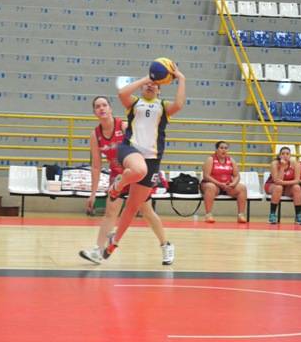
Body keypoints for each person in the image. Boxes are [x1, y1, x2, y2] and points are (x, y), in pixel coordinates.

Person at [102, 66, 186, 260]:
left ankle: (114, 242)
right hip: (130, 150)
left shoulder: (163, 107)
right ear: (141, 87)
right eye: (147, 84)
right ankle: (117, 186)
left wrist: (181, 78)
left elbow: (179, 104)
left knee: (133, 207)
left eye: (154, 84)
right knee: (139, 169)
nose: (150, 85)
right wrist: (147, 77)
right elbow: (122, 93)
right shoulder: (134, 103)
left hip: (152, 159)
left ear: (160, 89)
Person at [79, 96, 174, 265]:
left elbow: (142, 147)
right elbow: (96, 166)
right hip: (118, 175)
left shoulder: (123, 126)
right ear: (94, 112)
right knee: (110, 212)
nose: (101, 108)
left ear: (110, 108)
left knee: (147, 211)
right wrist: (92, 193)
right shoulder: (95, 135)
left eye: (104, 105)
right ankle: (98, 251)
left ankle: (165, 245)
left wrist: (149, 171)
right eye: (97, 106)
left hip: (135, 172)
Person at [200, 140, 248, 224]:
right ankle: (208, 215)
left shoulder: (231, 160)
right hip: (214, 185)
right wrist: (219, 184)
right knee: (210, 187)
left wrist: (233, 184)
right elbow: (206, 176)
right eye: (221, 148)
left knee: (242, 188)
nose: (224, 150)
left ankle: (241, 215)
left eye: (226, 148)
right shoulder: (210, 159)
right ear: (216, 149)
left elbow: (237, 176)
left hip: (227, 186)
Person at [264, 146, 301, 224]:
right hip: (272, 185)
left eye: (287, 154)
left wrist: (283, 182)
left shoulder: (296, 164)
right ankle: (272, 215)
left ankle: (298, 215)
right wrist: (282, 167)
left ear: (290, 156)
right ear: (279, 155)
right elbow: (276, 181)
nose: (285, 155)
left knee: (297, 187)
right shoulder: (274, 163)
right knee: (279, 187)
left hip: (287, 187)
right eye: (283, 154)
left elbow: (297, 180)